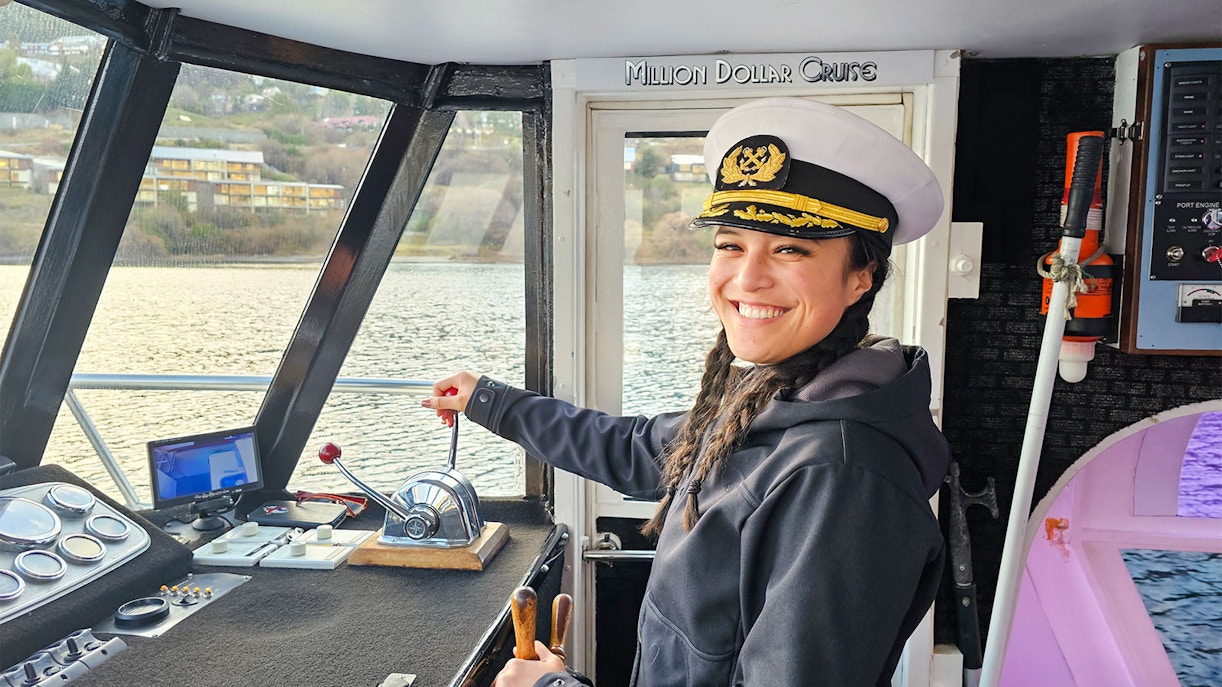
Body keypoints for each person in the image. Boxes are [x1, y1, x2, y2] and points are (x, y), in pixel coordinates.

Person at [422, 97, 950, 687]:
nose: (747, 278)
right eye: (731, 245)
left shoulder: (842, 475)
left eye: (789, 248)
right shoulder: (781, 397)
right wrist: (490, 401)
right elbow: (639, 448)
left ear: (860, 278)